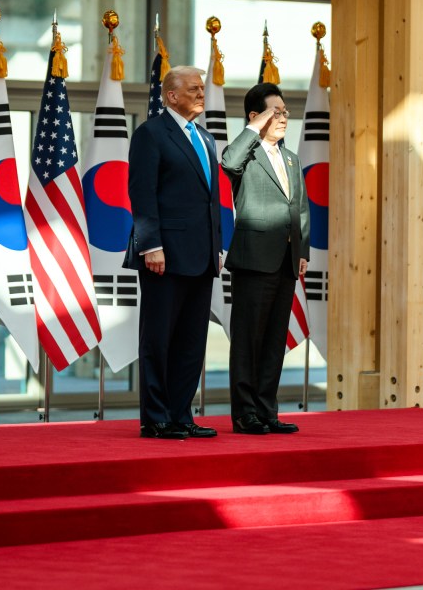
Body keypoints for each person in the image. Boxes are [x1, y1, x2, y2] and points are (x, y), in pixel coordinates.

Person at [125, 65, 220, 440]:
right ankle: (157, 418)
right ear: (171, 96)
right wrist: (151, 244)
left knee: (191, 341)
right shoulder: (151, 134)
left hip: (202, 255)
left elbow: (208, 200)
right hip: (163, 255)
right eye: (194, 89)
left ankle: (182, 414)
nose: (201, 94)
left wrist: (217, 247)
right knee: (159, 339)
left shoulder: (207, 139)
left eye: (202, 88)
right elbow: (143, 194)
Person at [221, 82, 310, 435]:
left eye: (286, 112)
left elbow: (300, 208)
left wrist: (301, 252)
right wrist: (253, 129)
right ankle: (245, 414)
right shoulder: (246, 152)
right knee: (248, 341)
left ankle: (267, 410)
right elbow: (228, 162)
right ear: (256, 117)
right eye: (277, 112)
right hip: (254, 260)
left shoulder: (291, 158)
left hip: (286, 260)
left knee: (274, 340)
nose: (284, 118)